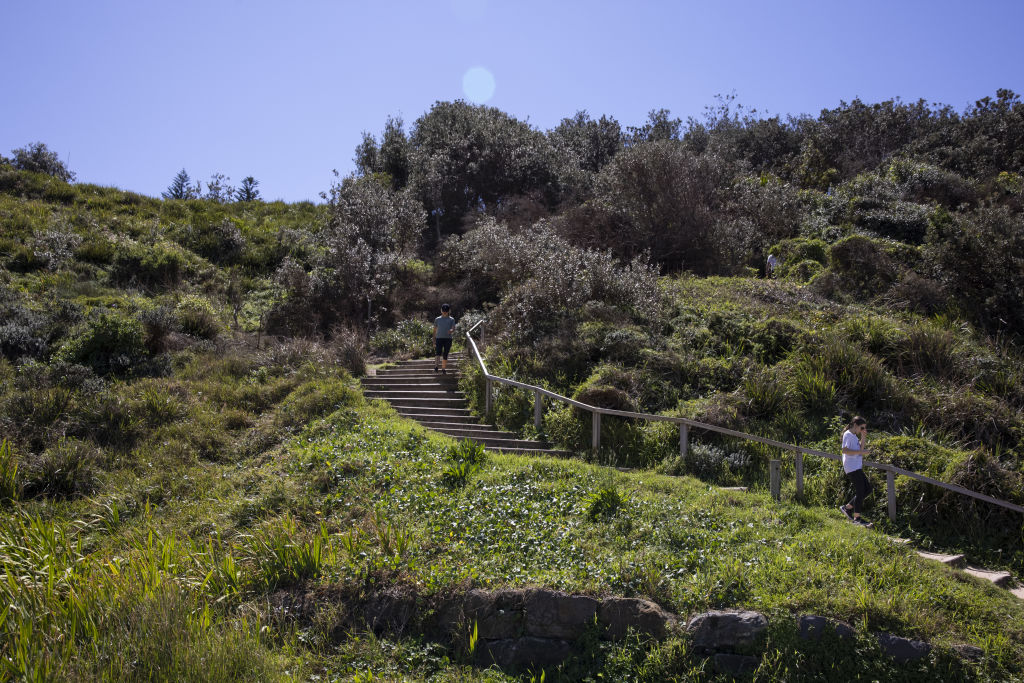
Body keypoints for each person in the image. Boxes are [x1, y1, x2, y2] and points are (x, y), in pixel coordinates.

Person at [839, 416, 874, 526]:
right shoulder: (848, 435)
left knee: (868, 489)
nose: (863, 429)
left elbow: (860, 451)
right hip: (851, 467)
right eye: (862, 427)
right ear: (855, 425)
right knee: (860, 491)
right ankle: (857, 518)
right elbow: (844, 450)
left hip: (856, 466)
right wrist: (862, 453)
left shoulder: (854, 436)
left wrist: (863, 437)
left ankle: (847, 507)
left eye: (864, 428)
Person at [433, 303, 456, 373]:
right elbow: (434, 330)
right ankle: (436, 367)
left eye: (446, 311)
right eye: (443, 311)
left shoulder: (452, 319)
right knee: (438, 353)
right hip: (439, 338)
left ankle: (443, 368)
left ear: (449, 311)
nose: (444, 312)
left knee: (445, 353)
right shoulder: (437, 319)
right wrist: (433, 340)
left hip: (448, 339)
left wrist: (451, 330)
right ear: (441, 310)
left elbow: (453, 328)